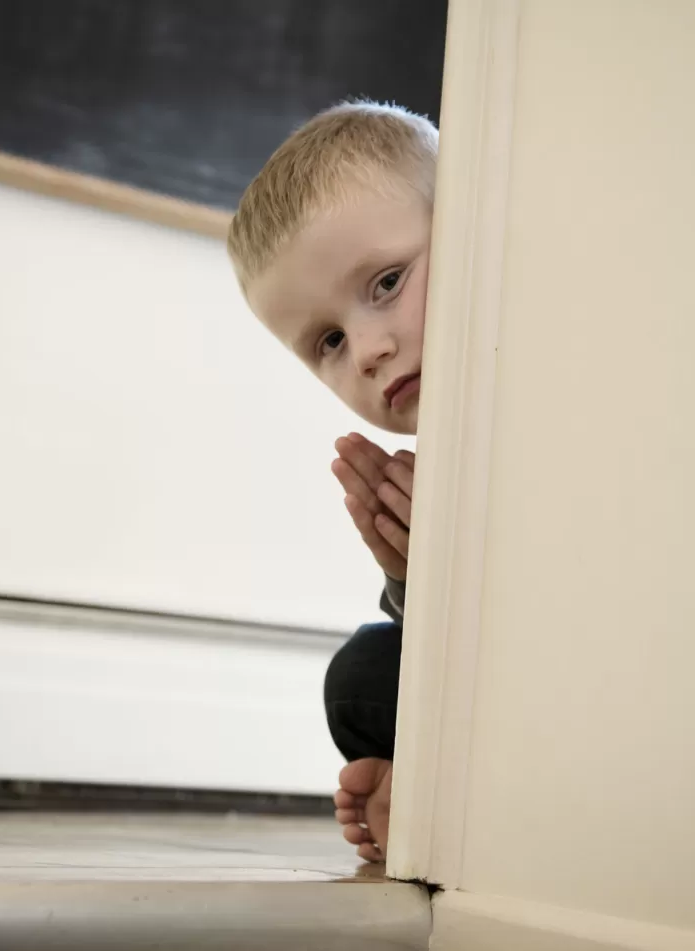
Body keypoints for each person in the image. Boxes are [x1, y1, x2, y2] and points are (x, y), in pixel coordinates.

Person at [227, 101, 437, 863]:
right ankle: (423, 793)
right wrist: (415, 572)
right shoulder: (431, 458)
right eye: (329, 341)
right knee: (363, 673)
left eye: (387, 281)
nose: (371, 350)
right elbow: (449, 648)